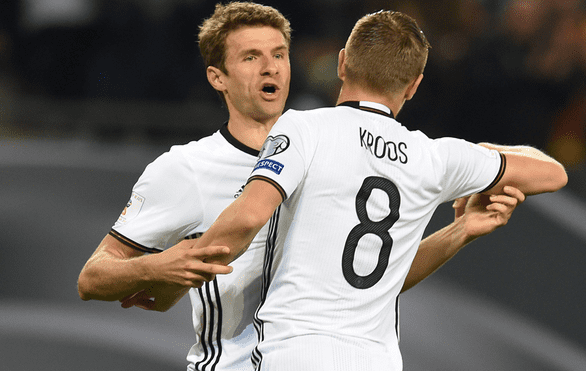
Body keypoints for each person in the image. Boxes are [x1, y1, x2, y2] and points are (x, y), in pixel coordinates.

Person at [77, 3, 525, 370]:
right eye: (250, 57)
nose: (270, 67)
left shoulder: (333, 147)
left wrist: (458, 231)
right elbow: (93, 277)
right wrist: (159, 268)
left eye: (278, 54)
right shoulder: (186, 168)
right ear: (218, 77)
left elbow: (373, 281)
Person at [192, 10, 567, 371]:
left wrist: (169, 273)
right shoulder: (435, 158)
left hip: (296, 350)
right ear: (415, 85)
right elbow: (553, 174)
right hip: (375, 360)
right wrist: (482, 158)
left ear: (342, 63)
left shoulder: (305, 128)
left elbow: (250, 215)